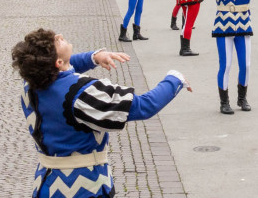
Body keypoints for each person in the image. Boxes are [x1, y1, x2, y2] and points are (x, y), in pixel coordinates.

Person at [12, 30, 185, 197]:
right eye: (57, 41)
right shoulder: (81, 94)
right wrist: (174, 79)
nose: (60, 36)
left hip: (45, 185)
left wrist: (93, 58)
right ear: (57, 62)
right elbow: (144, 106)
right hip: (83, 189)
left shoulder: (32, 81)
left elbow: (63, 67)